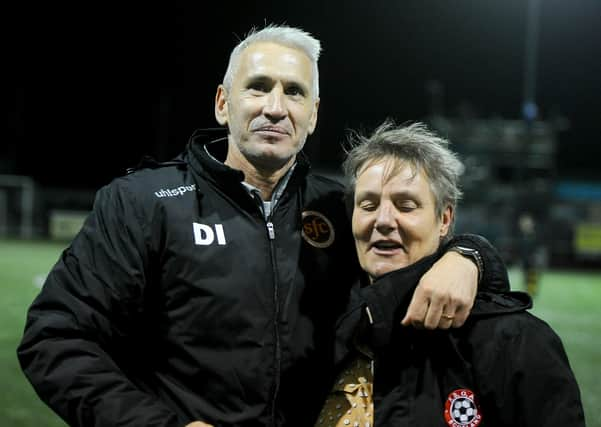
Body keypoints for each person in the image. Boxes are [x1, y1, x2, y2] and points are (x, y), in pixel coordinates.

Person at [18, 25, 509, 427]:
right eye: (258, 87)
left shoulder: (340, 208)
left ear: (312, 115)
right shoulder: (143, 203)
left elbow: (411, 246)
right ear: (222, 104)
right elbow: (56, 338)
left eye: (295, 92)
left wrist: (468, 255)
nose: (276, 107)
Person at [318, 121, 585, 426]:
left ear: (444, 219)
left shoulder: (515, 341)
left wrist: (471, 254)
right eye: (368, 204)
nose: (383, 220)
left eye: (405, 205)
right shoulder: (323, 330)